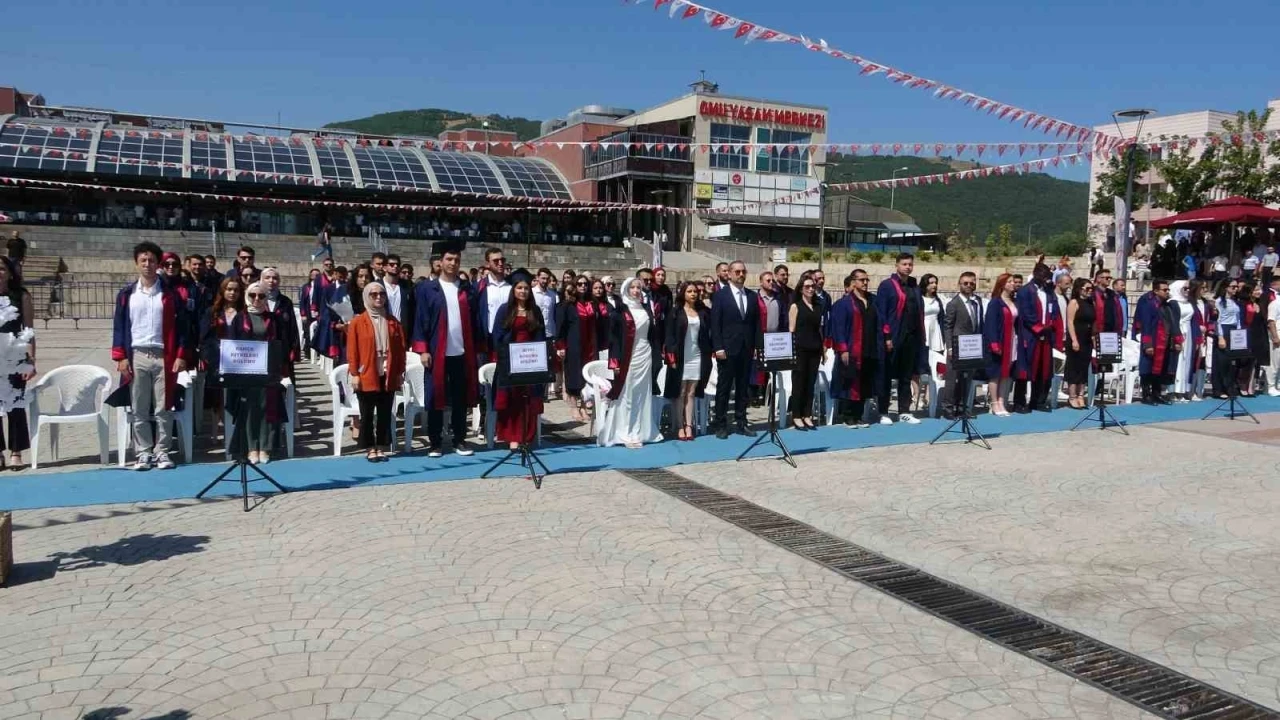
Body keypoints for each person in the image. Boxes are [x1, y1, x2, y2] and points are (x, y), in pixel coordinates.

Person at [112, 241, 191, 471]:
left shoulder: (170, 294)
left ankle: (162, 451)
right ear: (136, 263)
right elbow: (119, 327)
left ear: (158, 264)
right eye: (143, 260)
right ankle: (143, 452)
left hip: (164, 355)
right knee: (139, 407)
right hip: (136, 354)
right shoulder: (127, 294)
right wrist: (120, 357)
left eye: (152, 260)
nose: (147, 264)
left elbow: (183, 327)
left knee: (163, 406)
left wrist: (181, 355)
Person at [411, 243, 478, 457]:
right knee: (435, 397)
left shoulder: (467, 288)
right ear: (440, 262)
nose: (453, 263)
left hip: (462, 353)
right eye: (449, 259)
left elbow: (475, 319)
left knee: (460, 399)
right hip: (436, 352)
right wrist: (423, 349)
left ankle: (459, 440)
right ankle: (435, 442)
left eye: (456, 260)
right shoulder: (427, 289)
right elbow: (420, 319)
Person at [226, 282, 286, 464]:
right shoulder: (240, 318)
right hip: (246, 371)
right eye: (253, 295)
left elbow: (282, 343)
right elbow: (232, 343)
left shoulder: (273, 319)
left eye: (261, 296)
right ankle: (251, 447)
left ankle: (265, 447)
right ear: (247, 296)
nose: (257, 299)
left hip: (268, 371)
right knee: (250, 409)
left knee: (267, 408)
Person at [599, 277, 662, 449]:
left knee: (642, 395)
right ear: (626, 290)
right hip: (628, 357)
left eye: (638, 288)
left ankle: (641, 431)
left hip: (645, 354)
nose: (636, 291)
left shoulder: (646, 308)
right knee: (627, 394)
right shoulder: (620, 311)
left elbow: (652, 335)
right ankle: (625, 432)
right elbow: (614, 339)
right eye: (632, 287)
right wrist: (615, 362)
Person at [347, 281, 406, 462]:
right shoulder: (357, 322)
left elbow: (401, 349)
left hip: (387, 373)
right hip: (367, 373)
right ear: (367, 297)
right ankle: (369, 447)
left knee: (384, 412)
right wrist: (355, 374)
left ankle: (381, 445)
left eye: (381, 294)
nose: (378, 297)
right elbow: (352, 350)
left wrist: (399, 372)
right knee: (367, 413)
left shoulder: (393, 321)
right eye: (374, 294)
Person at [490, 272, 545, 449]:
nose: (523, 291)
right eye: (519, 288)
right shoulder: (505, 310)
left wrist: (538, 357)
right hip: (510, 360)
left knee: (528, 399)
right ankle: (512, 436)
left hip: (530, 360)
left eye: (526, 288)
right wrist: (508, 352)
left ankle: (526, 436)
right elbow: (497, 335)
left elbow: (540, 335)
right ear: (513, 290)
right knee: (512, 399)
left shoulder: (535, 311)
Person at [709, 260, 761, 438]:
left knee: (743, 388)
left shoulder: (752, 296)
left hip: (746, 349)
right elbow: (715, 324)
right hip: (727, 349)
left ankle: (741, 422)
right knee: (724, 388)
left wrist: (757, 346)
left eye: (743, 271)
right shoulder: (720, 296)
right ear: (729, 274)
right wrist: (718, 347)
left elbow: (756, 323)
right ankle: (721, 424)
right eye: (737, 272)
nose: (741, 275)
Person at [875, 253, 926, 424]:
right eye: (904, 264)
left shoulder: (914, 285)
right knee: (887, 375)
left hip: (911, 336)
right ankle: (883, 411)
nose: (907, 267)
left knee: (906, 375)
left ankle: (904, 410)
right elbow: (881, 313)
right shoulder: (887, 285)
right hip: (893, 335)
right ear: (896, 265)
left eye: (910, 264)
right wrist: (887, 336)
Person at [829, 270, 878, 427]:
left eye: (867, 279)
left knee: (864, 382)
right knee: (849, 383)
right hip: (851, 348)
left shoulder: (872, 300)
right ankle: (848, 416)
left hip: (869, 348)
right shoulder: (844, 304)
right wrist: (843, 348)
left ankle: (858, 415)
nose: (865, 282)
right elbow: (838, 328)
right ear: (853, 282)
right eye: (861, 280)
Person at [663, 280, 711, 441]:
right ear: (683, 293)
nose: (693, 294)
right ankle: (679, 426)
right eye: (689, 291)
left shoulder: (702, 312)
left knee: (691, 392)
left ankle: (689, 425)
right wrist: (671, 357)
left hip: (697, 355)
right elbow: (669, 336)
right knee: (680, 392)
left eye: (695, 291)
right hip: (681, 357)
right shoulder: (675, 312)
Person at [1012, 263, 1062, 413]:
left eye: (1046, 276)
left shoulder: (1048, 291)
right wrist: (1039, 327)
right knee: (1025, 370)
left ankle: (1037, 400)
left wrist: (1051, 325)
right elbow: (1025, 313)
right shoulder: (1025, 291)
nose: (1044, 278)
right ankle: (1019, 402)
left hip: (1045, 336)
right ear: (1035, 274)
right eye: (1042, 276)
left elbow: (1054, 309)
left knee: (1042, 369)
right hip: (1030, 335)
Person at [0, 258, 34, 470]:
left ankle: (16, 451)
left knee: (15, 403)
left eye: (2, 269)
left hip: (15, 356)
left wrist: (31, 360)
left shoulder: (21, 296)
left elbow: (29, 330)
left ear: (10, 273)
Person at [942, 271, 983, 419]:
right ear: (959, 284)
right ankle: (948, 409)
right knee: (952, 379)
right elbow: (947, 326)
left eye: (972, 283)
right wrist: (950, 347)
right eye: (965, 283)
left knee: (967, 379)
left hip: (972, 346)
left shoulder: (976, 302)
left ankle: (963, 408)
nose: (968, 285)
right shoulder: (953, 304)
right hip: (957, 346)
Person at [788, 273, 824, 430]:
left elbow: (819, 329)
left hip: (815, 349)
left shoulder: (818, 306)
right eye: (807, 286)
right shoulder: (795, 306)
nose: (810, 289)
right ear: (801, 289)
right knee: (799, 383)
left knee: (810, 383)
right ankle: (796, 415)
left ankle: (807, 414)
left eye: (813, 286)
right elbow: (791, 330)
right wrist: (792, 351)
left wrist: (822, 350)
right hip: (800, 349)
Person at [1137, 279, 1182, 404]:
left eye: (1168, 289)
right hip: (1153, 341)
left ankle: (1156, 394)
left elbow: (1173, 324)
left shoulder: (1168, 306)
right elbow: (1146, 325)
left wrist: (1177, 341)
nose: (1167, 292)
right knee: (1147, 369)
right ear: (1156, 291)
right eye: (1164, 290)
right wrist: (1148, 344)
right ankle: (1146, 395)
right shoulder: (1149, 304)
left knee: (1161, 369)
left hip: (1165, 342)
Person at [983, 273, 1019, 417]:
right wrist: (994, 343)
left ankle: (1002, 401)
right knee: (995, 373)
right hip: (999, 341)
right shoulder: (995, 302)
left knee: (1006, 374)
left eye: (1013, 281)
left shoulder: (1014, 301)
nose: (1012, 284)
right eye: (1009, 281)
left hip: (1012, 340)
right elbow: (990, 324)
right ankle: (994, 402)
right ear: (1002, 284)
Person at [752, 270, 788, 406]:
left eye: (772, 280)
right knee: (757, 368)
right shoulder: (755, 299)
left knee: (772, 367)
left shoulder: (778, 298)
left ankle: (770, 395)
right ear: (761, 282)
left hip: (775, 339)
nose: (771, 282)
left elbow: (783, 318)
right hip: (760, 337)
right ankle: (755, 395)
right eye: (768, 280)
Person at [1063, 278, 1096, 409]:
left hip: (1087, 338)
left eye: (1091, 288)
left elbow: (1093, 322)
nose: (1090, 291)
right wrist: (1074, 339)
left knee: (1083, 367)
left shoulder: (1090, 303)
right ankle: (1072, 395)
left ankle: (1081, 394)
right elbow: (1070, 322)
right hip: (1076, 337)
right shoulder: (1074, 302)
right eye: (1087, 288)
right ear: (1080, 289)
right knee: (1073, 367)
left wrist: (1093, 337)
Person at [1169, 280, 1203, 402]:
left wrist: (1197, 339)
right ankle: (1173, 390)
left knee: (1187, 361)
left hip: (1189, 333)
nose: (1188, 291)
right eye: (1185, 289)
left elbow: (1195, 321)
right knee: (1177, 361)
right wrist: (1176, 338)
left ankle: (1183, 390)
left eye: (1189, 288)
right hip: (1178, 333)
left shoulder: (1189, 302)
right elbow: (1172, 322)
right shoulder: (1172, 303)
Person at [475, 248, 509, 361]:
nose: (500, 263)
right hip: (487, 339)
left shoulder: (512, 286)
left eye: (502, 260)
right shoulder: (480, 287)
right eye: (496, 261)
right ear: (487, 264)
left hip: (508, 337)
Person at [918, 272, 946, 413]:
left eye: (935, 283)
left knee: (935, 367)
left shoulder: (938, 300)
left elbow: (942, 317)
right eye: (931, 283)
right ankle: (919, 395)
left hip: (936, 333)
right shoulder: (919, 298)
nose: (934, 285)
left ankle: (931, 396)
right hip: (923, 332)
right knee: (922, 366)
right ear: (925, 284)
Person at [1241, 283, 1268, 396]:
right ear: (1250, 291)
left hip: (1259, 335)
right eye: (1256, 290)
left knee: (1255, 362)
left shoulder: (1260, 304)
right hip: (1247, 334)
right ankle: (1242, 385)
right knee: (1246, 361)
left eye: (1259, 289)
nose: (1259, 292)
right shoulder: (1245, 304)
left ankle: (1251, 386)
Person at [380, 254, 415, 334]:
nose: (395, 266)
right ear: (384, 268)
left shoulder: (406, 286)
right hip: (383, 329)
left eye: (397, 264)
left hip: (402, 330)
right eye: (392, 264)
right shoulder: (377, 286)